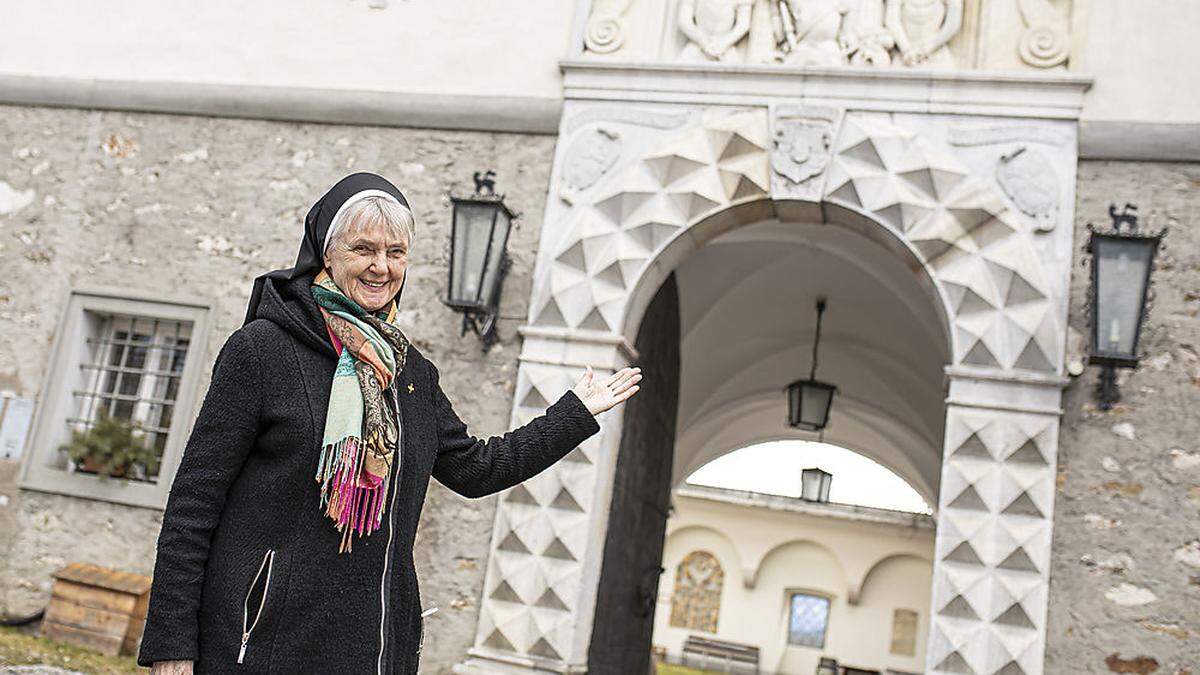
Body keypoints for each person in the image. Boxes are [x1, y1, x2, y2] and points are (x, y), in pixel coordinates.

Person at [136, 172, 642, 674]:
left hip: (372, 649)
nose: (381, 267)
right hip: (260, 645)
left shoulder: (410, 373)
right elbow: (194, 504)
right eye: (364, 249)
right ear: (326, 254)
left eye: (396, 253)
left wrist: (574, 412)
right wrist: (172, 645)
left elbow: (478, 469)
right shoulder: (262, 351)